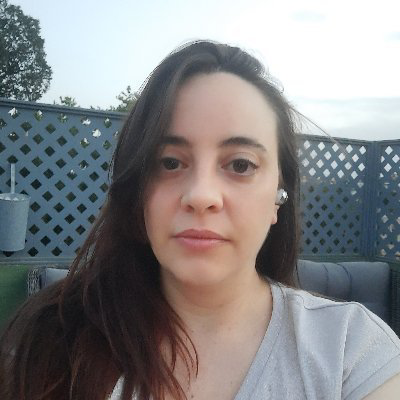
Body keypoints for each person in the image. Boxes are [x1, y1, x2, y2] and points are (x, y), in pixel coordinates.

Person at [0, 40, 399, 400]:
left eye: (240, 164)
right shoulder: (51, 341)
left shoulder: (352, 351)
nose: (201, 196)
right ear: (138, 191)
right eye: (169, 163)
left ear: (279, 197)